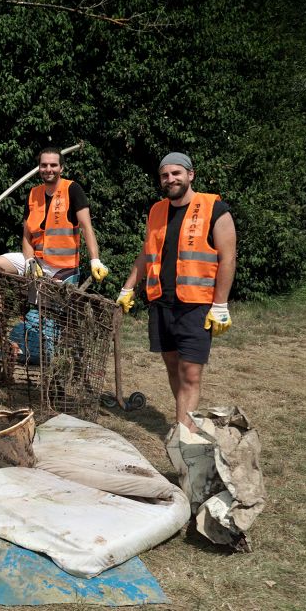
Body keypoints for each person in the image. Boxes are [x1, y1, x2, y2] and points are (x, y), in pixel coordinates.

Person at [116, 152, 236, 431]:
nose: (170, 179)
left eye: (176, 173)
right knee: (173, 370)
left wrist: (220, 305)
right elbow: (147, 253)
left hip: (196, 306)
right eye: (165, 175)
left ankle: (184, 435)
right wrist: (128, 287)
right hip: (162, 304)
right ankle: (186, 423)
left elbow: (227, 258)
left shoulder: (215, 208)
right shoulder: (157, 211)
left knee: (190, 374)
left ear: (190, 175)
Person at [0, 148, 108, 318]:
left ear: (61, 168)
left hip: (63, 269)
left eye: (53, 165)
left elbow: (87, 227)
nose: (48, 169)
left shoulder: (72, 189)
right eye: (44, 165)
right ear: (39, 168)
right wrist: (29, 261)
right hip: (36, 261)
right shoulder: (33, 193)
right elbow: (27, 235)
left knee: (47, 320)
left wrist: (95, 259)